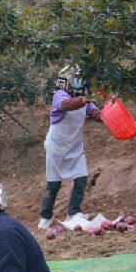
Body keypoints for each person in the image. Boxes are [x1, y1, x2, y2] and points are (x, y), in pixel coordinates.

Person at [39, 65, 102, 229]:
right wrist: (85, 99)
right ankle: (45, 216)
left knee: (81, 178)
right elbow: (66, 105)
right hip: (57, 147)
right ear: (67, 78)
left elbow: (94, 112)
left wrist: (106, 115)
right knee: (54, 184)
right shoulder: (60, 94)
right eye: (75, 78)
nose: (79, 81)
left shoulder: (83, 97)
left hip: (75, 146)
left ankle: (73, 212)